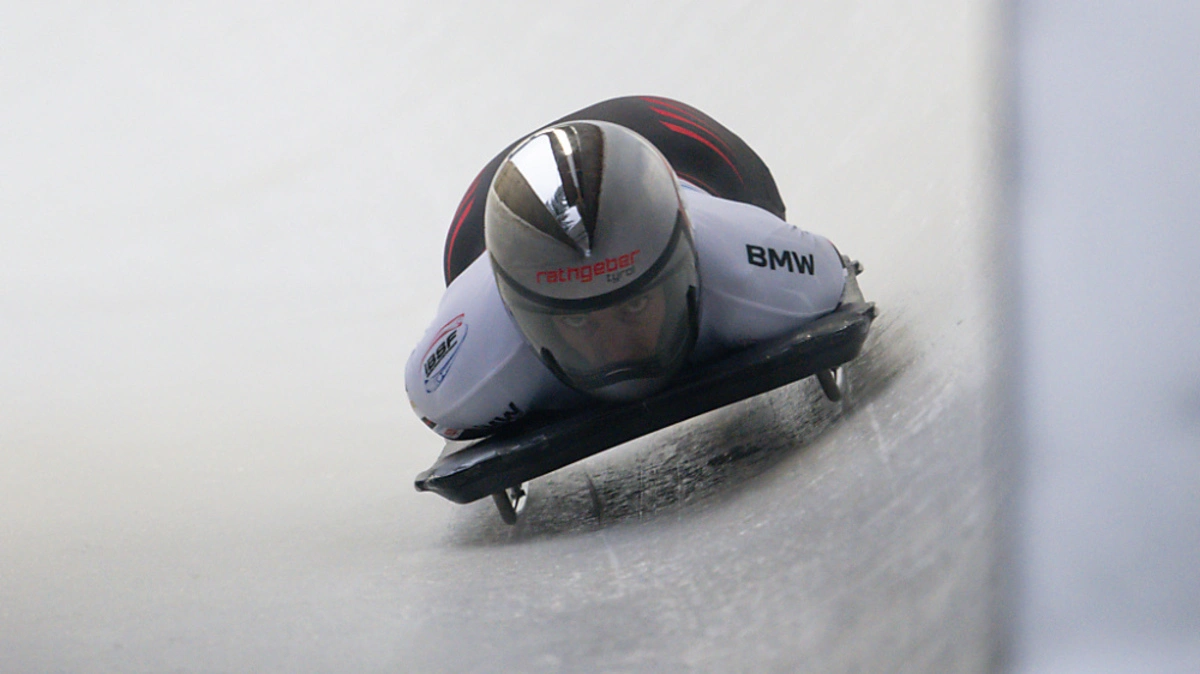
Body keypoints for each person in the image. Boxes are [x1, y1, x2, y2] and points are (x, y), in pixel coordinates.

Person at [406, 96, 847, 440]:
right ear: (518, 314)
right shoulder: (464, 373)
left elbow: (829, 270)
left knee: (763, 210)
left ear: (685, 270)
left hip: (685, 144)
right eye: (578, 320)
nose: (617, 348)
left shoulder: (751, 266)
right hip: (482, 222)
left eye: (633, 306)